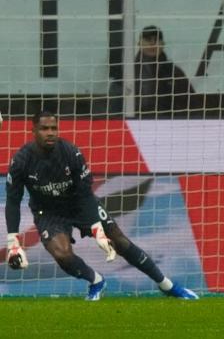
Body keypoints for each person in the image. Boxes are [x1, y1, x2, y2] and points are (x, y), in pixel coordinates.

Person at [4, 111, 199, 301]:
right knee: (61, 254)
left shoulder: (71, 153)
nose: (50, 133)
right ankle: (96, 281)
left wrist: (98, 231)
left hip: (79, 204)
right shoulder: (21, 160)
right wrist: (13, 242)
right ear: (33, 131)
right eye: (44, 128)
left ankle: (167, 285)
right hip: (48, 212)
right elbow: (13, 201)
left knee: (120, 241)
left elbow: (85, 194)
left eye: (54, 128)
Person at [135, 25, 195, 117]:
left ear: (162, 44)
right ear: (139, 43)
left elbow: (191, 101)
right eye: (148, 39)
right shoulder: (129, 71)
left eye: (156, 40)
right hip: (135, 121)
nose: (152, 43)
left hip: (169, 122)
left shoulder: (174, 72)